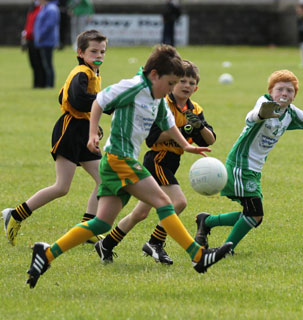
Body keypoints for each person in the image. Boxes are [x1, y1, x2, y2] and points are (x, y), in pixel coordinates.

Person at [25, 45, 232, 289]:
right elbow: (99, 101)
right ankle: (198, 257)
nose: (170, 89)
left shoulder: (157, 97)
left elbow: (167, 121)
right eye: (170, 83)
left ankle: (45, 254)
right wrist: (92, 133)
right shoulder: (133, 86)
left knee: (101, 224)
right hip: (120, 159)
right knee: (165, 203)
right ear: (154, 75)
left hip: (117, 161)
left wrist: (185, 147)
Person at [194, 69, 303, 253]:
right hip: (241, 164)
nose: (284, 93)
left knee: (254, 215)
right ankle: (225, 249)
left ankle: (207, 221)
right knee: (254, 214)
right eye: (280, 89)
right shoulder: (264, 103)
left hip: (254, 168)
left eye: (290, 90)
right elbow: (251, 117)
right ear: (271, 91)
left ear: (294, 96)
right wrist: (262, 115)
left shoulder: (291, 113)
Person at [95, 60, 216, 265]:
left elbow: (210, 139)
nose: (186, 86)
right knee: (178, 202)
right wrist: (181, 131)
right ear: (173, 83)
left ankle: (106, 244)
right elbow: (151, 139)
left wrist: (199, 126)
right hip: (157, 160)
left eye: (191, 82)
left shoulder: (194, 109)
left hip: (172, 162)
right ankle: (155, 243)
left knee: (140, 213)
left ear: (196, 87)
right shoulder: (162, 103)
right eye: (182, 81)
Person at [2, 30, 107, 247]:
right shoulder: (81, 72)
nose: (99, 55)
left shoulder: (93, 73)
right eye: (93, 51)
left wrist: (94, 126)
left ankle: (88, 229)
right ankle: (15, 215)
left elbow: (64, 95)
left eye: (102, 51)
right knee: (62, 187)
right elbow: (77, 100)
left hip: (84, 131)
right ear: (80, 52)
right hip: (69, 132)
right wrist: (104, 101)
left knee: (105, 180)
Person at [33, 0, 60, 88]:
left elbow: (49, 25)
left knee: (48, 64)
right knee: (45, 64)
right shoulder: (45, 8)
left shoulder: (51, 9)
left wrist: (41, 35)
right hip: (43, 41)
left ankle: (50, 84)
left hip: (47, 41)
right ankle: (46, 83)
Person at [22, 0, 45, 88]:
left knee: (39, 63)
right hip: (30, 38)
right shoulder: (32, 7)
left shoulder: (42, 8)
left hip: (38, 39)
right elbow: (29, 23)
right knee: (33, 63)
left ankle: (41, 84)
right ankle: (36, 84)